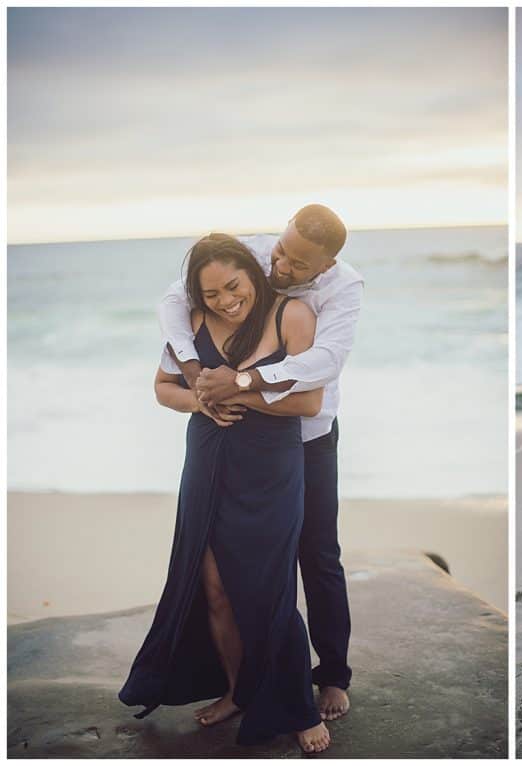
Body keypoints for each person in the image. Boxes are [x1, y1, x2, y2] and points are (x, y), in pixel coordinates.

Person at [119, 234, 331, 752]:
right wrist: (201, 403)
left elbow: (308, 403)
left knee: (270, 588)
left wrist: (238, 389)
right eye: (210, 293)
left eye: (232, 286)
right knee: (213, 587)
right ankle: (237, 692)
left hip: (271, 469)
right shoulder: (190, 325)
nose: (224, 301)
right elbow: (163, 389)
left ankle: (297, 708)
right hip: (208, 463)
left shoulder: (293, 316)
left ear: (251, 275)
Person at [159, 204, 362, 723]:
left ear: (325, 266)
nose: (282, 266)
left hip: (308, 440)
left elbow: (324, 366)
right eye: (281, 251)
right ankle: (245, 685)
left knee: (316, 555)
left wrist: (240, 385)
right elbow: (175, 299)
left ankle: (333, 675)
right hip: (243, 447)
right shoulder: (250, 256)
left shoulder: (340, 291)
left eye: (297, 264)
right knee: (235, 572)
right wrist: (194, 372)